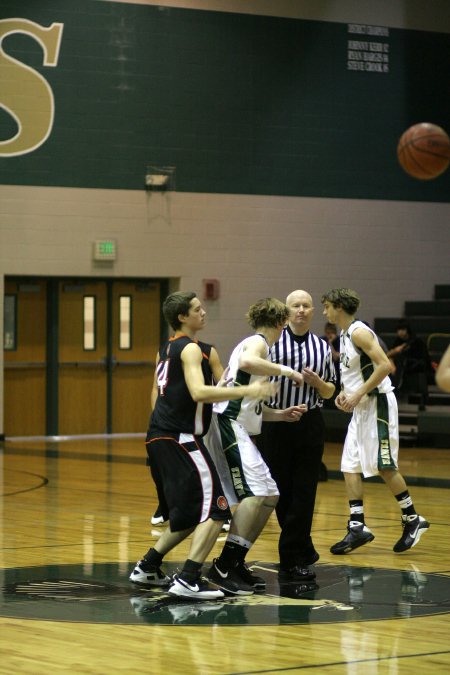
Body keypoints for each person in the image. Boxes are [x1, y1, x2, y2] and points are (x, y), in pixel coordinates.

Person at [129, 291, 276, 600]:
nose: (204, 312)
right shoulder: (193, 350)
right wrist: (249, 389)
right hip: (180, 438)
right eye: (197, 309)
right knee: (218, 510)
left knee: (187, 514)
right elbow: (198, 392)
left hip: (159, 436)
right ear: (183, 317)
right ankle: (188, 578)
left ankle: (148, 565)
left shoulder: (166, 347)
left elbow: (166, 395)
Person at [206, 298, 309, 594]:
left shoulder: (253, 343)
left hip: (237, 424)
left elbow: (250, 405)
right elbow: (249, 363)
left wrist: (280, 415)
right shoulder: (258, 343)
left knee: (269, 494)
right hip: (228, 424)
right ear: (282, 323)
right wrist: (288, 371)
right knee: (252, 494)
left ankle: (235, 560)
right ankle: (224, 564)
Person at [321, 288, 429, 554]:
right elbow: (358, 373)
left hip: (378, 403)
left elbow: (385, 366)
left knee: (384, 465)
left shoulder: (359, 331)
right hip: (361, 406)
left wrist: (357, 393)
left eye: (327, 307)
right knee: (349, 464)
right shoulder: (345, 335)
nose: (324, 312)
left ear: (338, 306)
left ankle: (413, 519)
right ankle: (357, 526)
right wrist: (345, 394)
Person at [260, 290, 336, 579]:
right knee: (281, 492)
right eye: (296, 306)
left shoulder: (322, 346)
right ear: (286, 311)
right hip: (276, 423)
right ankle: (302, 547)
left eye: (306, 305)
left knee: (305, 491)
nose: (301, 310)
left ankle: (291, 558)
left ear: (313, 311)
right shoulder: (271, 344)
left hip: (310, 421)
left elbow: (331, 390)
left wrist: (319, 384)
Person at [386, 319, 432, 406]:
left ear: (407, 330)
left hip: (416, 364)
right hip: (402, 365)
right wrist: (392, 364)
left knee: (401, 361)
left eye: (403, 330)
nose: (400, 332)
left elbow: (423, 358)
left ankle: (396, 388)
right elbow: (388, 355)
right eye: (399, 330)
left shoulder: (416, 341)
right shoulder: (398, 341)